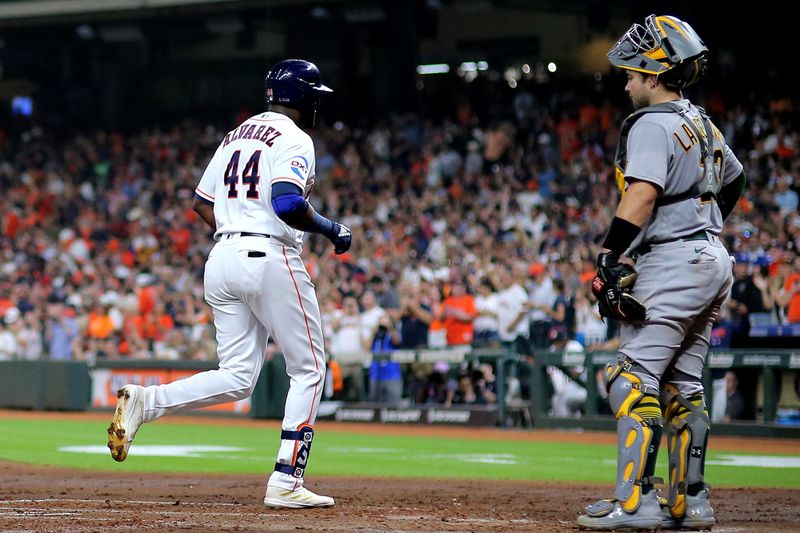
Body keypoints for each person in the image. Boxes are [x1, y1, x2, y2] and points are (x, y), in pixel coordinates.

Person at [107, 59, 349, 508]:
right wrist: (333, 229)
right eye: (315, 94)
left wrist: (236, 230)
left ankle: (147, 401)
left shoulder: (236, 134)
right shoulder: (296, 137)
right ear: (301, 97)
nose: (318, 102)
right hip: (269, 255)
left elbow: (201, 203)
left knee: (237, 377)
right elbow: (288, 202)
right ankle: (286, 481)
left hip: (220, 258)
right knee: (310, 370)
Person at [578, 15, 746, 531]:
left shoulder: (652, 122)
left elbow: (643, 192)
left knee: (630, 378)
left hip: (673, 259)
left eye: (631, 73)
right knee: (682, 387)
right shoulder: (702, 121)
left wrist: (609, 255)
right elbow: (735, 182)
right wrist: (701, 224)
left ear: (654, 73)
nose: (626, 82)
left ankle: (635, 503)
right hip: (712, 258)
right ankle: (689, 502)